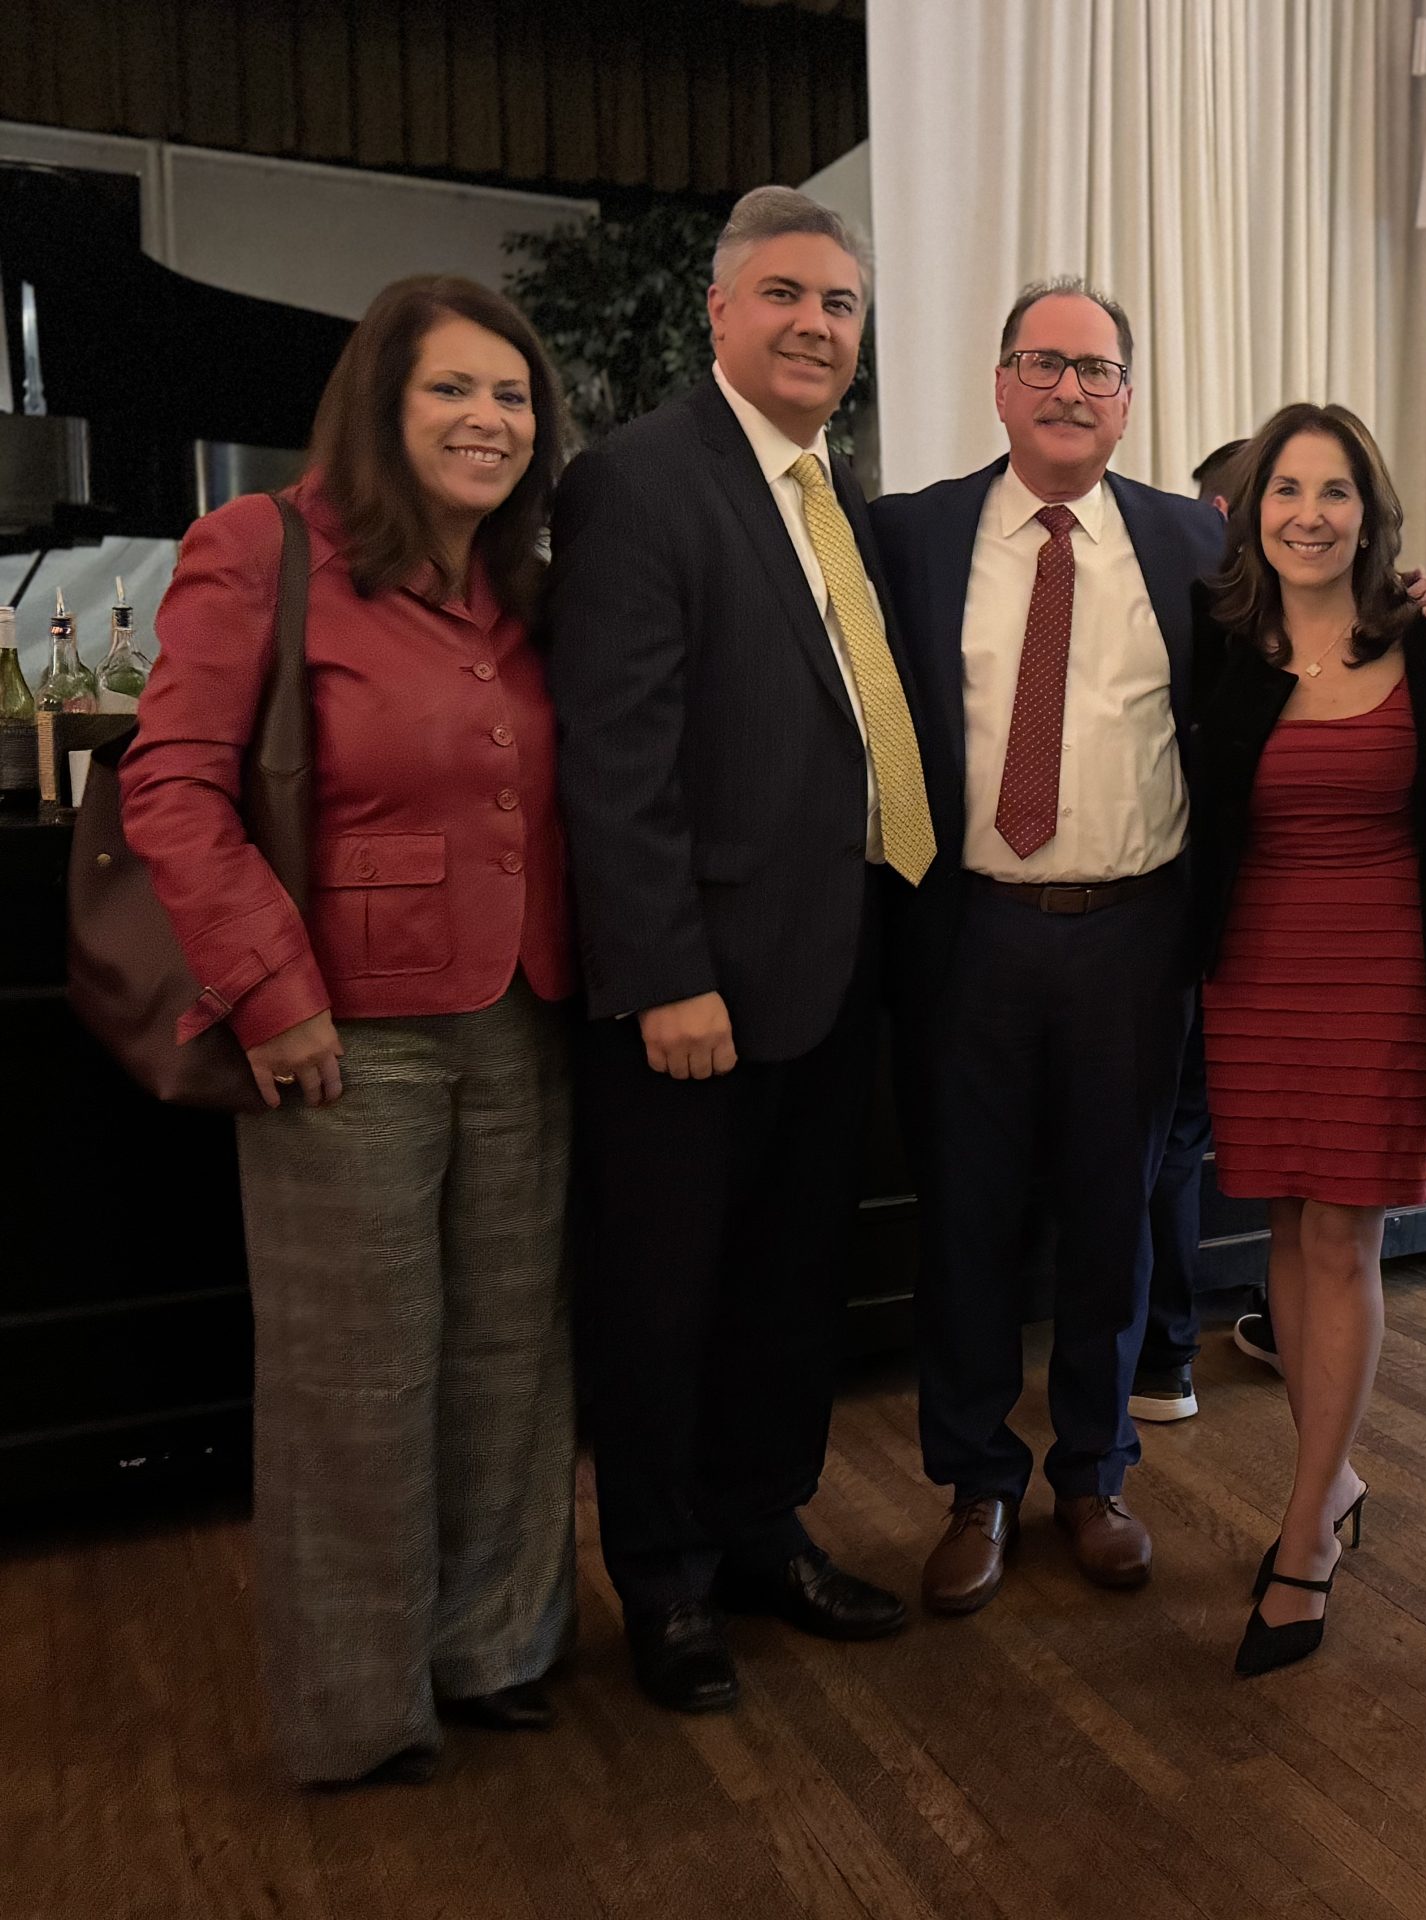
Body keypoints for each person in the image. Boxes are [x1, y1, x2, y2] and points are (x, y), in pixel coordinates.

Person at [121, 275, 578, 1786]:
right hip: (340, 1032)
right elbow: (172, 788)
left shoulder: (523, 579)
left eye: (512, 396)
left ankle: (495, 1648)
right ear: (382, 404)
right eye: (453, 388)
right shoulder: (262, 548)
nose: (488, 419)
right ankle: (357, 1705)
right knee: (354, 1378)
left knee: (509, 1359)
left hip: (524, 1012)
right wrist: (271, 992)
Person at [548, 187, 936, 1714]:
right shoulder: (640, 482)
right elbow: (614, 757)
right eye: (784, 294)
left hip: (831, 970)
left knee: (787, 1286)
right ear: (719, 312)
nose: (814, 325)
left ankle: (763, 1531)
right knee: (663, 1300)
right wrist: (663, 975)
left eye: (839, 304)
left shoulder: (836, 495)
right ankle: (663, 1581)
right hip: (694, 992)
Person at [869, 279, 1224, 1613]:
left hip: (1133, 936)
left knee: (1112, 1222)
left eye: (1097, 370)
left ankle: (1093, 1473)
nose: (1071, 389)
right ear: (1001, 384)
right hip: (968, 934)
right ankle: (975, 1482)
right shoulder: (912, 534)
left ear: (1128, 400)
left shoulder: (1194, 540)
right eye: (1044, 363)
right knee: (965, 1221)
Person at [1188, 403, 1426, 1673]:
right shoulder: (1217, 643)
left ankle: (1306, 1532)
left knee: (1343, 1234)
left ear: (1371, 515)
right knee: (1287, 1230)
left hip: (1384, 974)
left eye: (1335, 491)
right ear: (1251, 510)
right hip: (1252, 970)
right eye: (1287, 490)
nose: (1309, 514)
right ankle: (1333, 1478)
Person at [1126, 440, 1259, 1425]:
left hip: (1194, 919)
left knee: (1171, 1136)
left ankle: (1164, 1354)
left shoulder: (1186, 613)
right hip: (1260, 928)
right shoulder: (1316, 628)